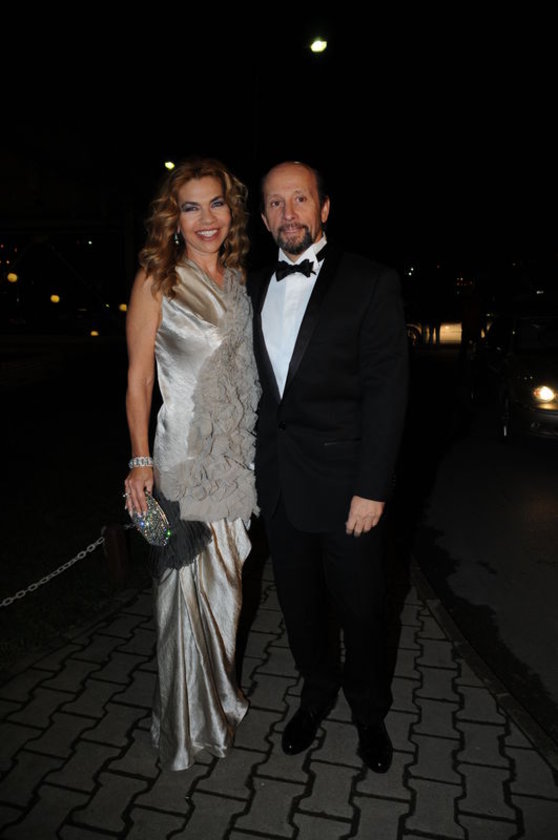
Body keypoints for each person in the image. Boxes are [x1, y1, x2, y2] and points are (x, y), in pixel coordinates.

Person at [248, 161, 408, 773]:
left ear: (324, 207)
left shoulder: (371, 282)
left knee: (362, 611)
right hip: (281, 487)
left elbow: (387, 393)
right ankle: (315, 694)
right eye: (275, 202)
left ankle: (369, 712)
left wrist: (373, 486)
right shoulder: (251, 287)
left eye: (300, 199)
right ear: (263, 216)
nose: (288, 213)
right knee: (300, 610)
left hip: (348, 492)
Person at [124, 157, 259, 771]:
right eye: (190, 207)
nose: (206, 218)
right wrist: (140, 460)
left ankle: (219, 698)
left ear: (232, 211)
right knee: (184, 592)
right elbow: (138, 379)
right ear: (172, 219)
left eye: (216, 203)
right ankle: (184, 725)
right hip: (180, 457)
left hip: (234, 457)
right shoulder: (157, 279)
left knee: (227, 586)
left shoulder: (238, 277)